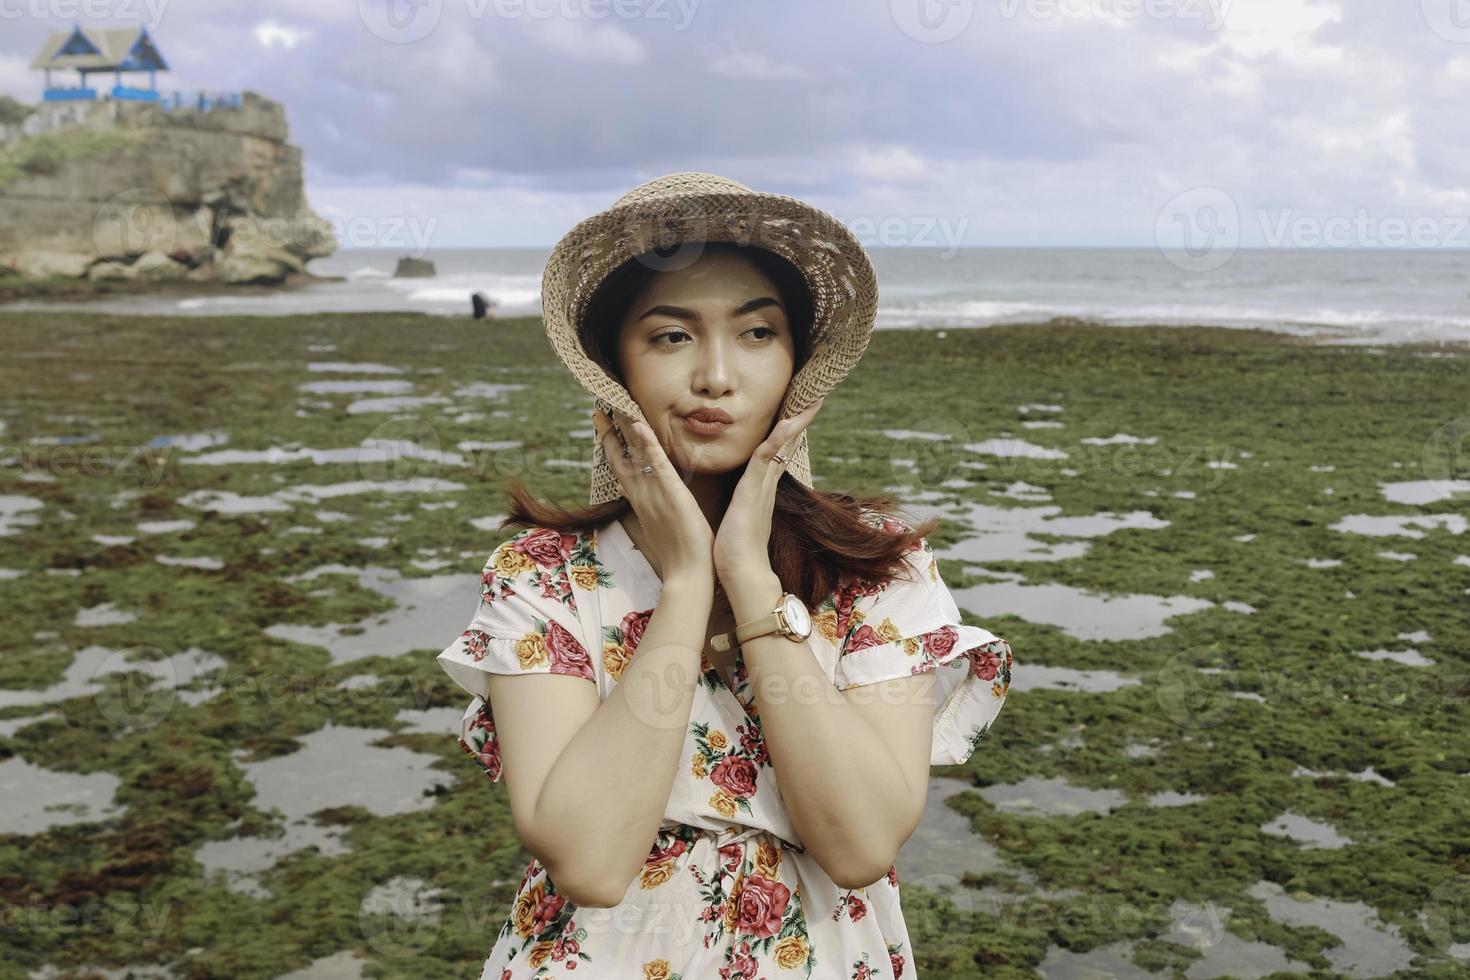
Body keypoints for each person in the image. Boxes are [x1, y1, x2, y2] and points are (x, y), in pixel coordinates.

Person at [436, 172, 1014, 978]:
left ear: (798, 364)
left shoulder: (879, 568)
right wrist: (680, 592)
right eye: (671, 336)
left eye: (756, 333)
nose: (715, 376)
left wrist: (747, 576)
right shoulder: (543, 575)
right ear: (614, 368)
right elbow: (592, 864)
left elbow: (859, 844)